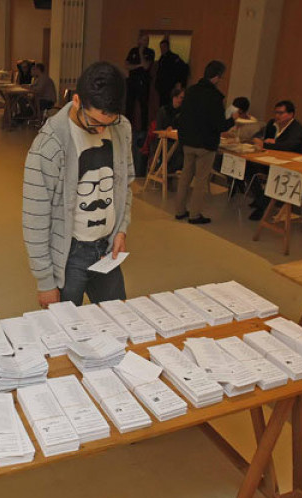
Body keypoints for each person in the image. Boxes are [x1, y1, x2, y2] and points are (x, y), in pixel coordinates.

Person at [22, 61, 133, 308]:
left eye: (109, 122)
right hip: (68, 255)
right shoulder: (48, 147)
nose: (101, 129)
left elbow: (125, 185)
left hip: (107, 250)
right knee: (63, 333)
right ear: (77, 101)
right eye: (94, 121)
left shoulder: (121, 129)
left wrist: (121, 229)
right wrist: (46, 282)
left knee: (119, 320)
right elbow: (35, 219)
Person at [174, 60, 236, 224]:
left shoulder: (191, 91)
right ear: (216, 77)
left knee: (185, 177)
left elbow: (183, 116)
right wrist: (232, 120)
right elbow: (220, 125)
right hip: (205, 144)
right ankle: (194, 214)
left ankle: (180, 211)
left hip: (187, 141)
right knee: (200, 181)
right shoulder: (215, 97)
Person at [247, 101, 302, 219]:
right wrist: (260, 141)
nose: (277, 116)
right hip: (271, 160)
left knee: (274, 175)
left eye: (281, 113)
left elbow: (289, 146)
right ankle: (260, 198)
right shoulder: (272, 123)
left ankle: (262, 206)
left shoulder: (296, 128)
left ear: (291, 114)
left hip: (290, 164)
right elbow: (260, 137)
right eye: (276, 113)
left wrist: (268, 145)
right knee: (249, 166)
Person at [124, 35, 155, 130]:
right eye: (144, 40)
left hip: (143, 82)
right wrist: (138, 66)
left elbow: (146, 66)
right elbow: (127, 65)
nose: (146, 42)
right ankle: (127, 127)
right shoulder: (133, 51)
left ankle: (143, 130)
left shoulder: (150, 52)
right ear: (139, 40)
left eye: (147, 40)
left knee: (143, 106)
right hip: (132, 81)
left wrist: (141, 53)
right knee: (129, 105)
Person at [154, 87, 185, 172]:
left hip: (177, 140)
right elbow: (158, 129)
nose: (182, 100)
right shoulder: (164, 111)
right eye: (181, 97)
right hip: (164, 141)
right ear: (174, 98)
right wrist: (166, 130)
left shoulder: (183, 112)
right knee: (173, 151)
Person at [154, 38, 189, 109]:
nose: (162, 49)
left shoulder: (174, 58)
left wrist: (180, 82)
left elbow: (184, 69)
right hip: (162, 86)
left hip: (170, 86)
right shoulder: (162, 58)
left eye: (163, 47)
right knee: (162, 105)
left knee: (169, 104)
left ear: (167, 47)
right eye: (161, 48)